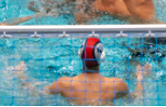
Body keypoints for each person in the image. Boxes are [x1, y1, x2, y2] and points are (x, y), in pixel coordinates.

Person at [13, 37, 148, 105]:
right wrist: (140, 78)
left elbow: (35, 94)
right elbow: (136, 98)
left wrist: (22, 77)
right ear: (102, 58)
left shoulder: (64, 84)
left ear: (80, 54)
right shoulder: (116, 85)